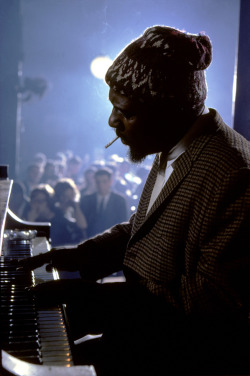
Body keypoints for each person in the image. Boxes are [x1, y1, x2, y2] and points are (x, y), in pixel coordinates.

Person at [17, 26, 250, 376]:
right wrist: (80, 256)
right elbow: (147, 227)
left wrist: (96, 302)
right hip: (140, 338)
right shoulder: (173, 143)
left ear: (165, 110)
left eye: (125, 112)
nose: (113, 121)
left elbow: (213, 309)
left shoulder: (235, 175)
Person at [80, 167, 128, 238]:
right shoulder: (87, 199)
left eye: (104, 181)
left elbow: (123, 222)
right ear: (95, 182)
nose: (101, 185)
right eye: (98, 182)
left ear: (110, 182)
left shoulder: (119, 200)